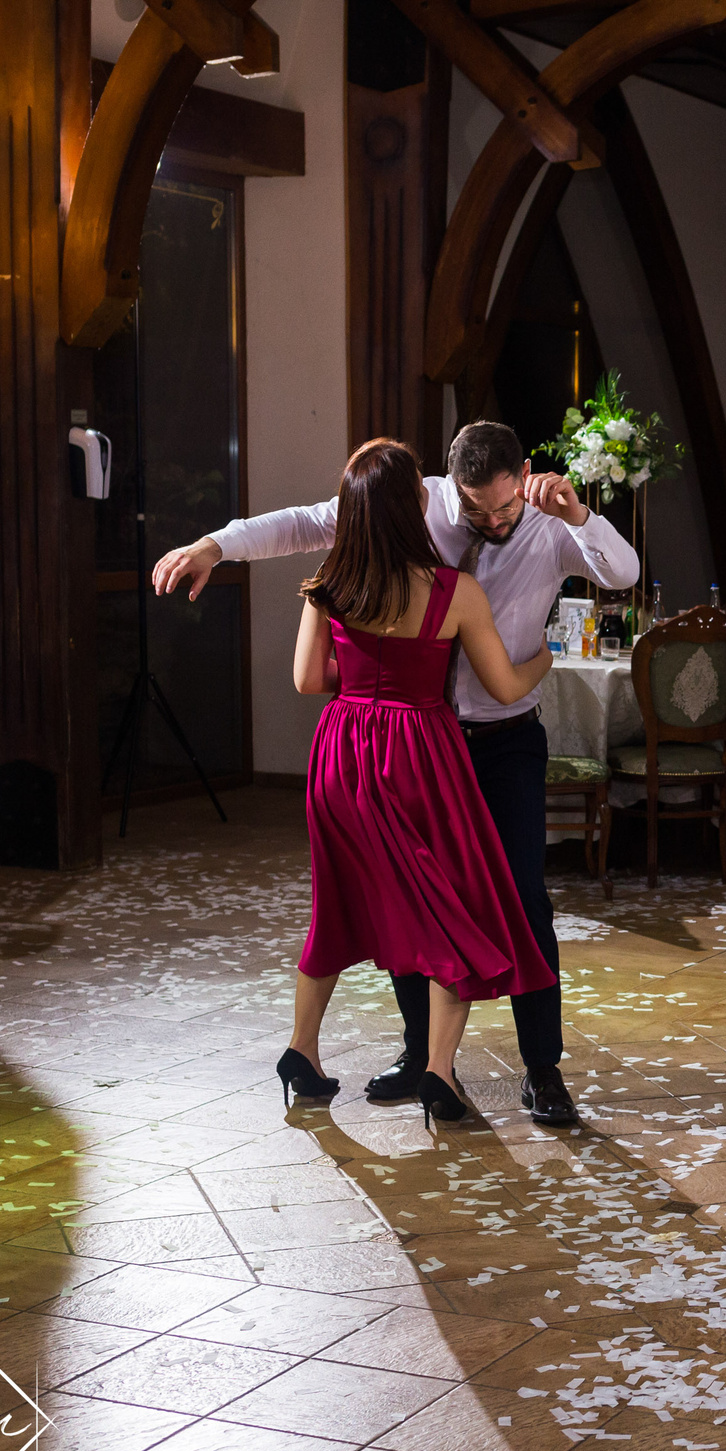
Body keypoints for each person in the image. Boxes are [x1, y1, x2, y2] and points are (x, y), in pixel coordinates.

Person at [154, 420, 638, 1129]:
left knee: (524, 896)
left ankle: (543, 1068)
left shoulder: (547, 522)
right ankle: (425, 1058)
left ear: (524, 476)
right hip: (425, 745)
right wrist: (215, 544)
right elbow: (302, 523)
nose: (494, 520)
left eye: (504, 506)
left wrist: (581, 514)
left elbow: (621, 573)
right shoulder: (414, 499)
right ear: (448, 487)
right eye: (476, 509)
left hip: (503, 742)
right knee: (410, 897)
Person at [274, 440, 557, 1125]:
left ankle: (302, 1051)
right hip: (419, 755)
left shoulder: (329, 583)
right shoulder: (452, 592)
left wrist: (364, 679)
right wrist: (544, 658)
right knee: (450, 912)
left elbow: (307, 679)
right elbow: (504, 685)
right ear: (412, 506)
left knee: (337, 907)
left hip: (341, 754)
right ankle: (437, 1071)